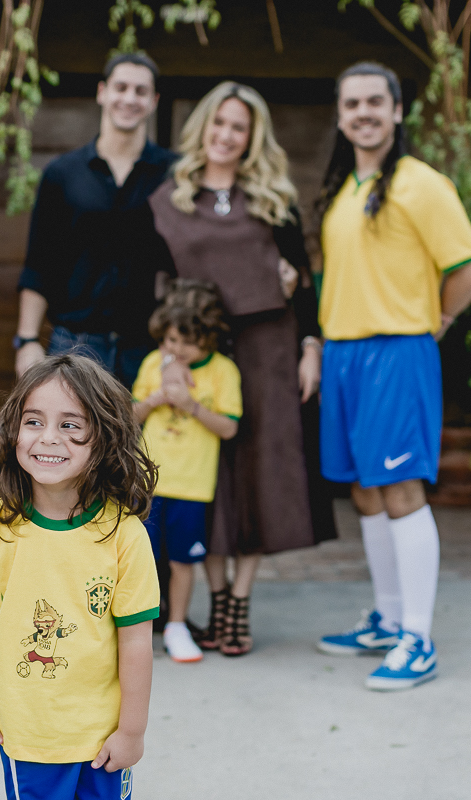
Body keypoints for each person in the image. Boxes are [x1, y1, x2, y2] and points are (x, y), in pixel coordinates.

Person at [147, 82, 337, 657]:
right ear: (203, 127)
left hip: (267, 349)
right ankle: (214, 595)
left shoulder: (274, 200)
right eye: (220, 123)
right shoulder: (171, 199)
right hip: (200, 351)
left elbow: (304, 280)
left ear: (252, 138)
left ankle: (237, 605)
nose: (226, 135)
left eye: (239, 127)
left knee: (257, 475)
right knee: (209, 478)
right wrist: (167, 358)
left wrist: (310, 346)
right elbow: (157, 286)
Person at [315, 62, 471, 691]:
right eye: (351, 103)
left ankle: (418, 637)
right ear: (341, 116)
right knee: (366, 491)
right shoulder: (345, 189)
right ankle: (388, 620)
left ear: (396, 111)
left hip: (396, 352)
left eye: (374, 102)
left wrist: (437, 321)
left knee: (400, 489)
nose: (362, 112)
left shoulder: (423, 184)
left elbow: (470, 268)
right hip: (343, 355)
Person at [0, 355, 159, 800]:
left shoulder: (125, 534)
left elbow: (136, 640)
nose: (48, 437)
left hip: (103, 736)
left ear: (104, 439)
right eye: (34, 421)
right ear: (13, 431)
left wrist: (132, 730)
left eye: (70, 425)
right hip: (27, 734)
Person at [14, 52, 176, 388]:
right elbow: (39, 262)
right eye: (121, 87)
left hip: (149, 347)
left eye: (141, 91)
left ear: (154, 101)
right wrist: (27, 340)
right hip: (75, 343)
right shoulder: (63, 173)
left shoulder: (172, 174)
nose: (129, 98)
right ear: (102, 92)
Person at [132, 281, 242, 663]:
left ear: (208, 339)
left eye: (187, 343)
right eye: (171, 340)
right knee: (140, 559)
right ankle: (135, 630)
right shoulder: (153, 363)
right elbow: (130, 415)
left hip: (193, 486)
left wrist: (191, 406)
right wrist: (156, 398)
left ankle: (177, 626)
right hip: (149, 483)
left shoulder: (223, 371)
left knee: (183, 561)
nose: (176, 349)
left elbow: (229, 428)